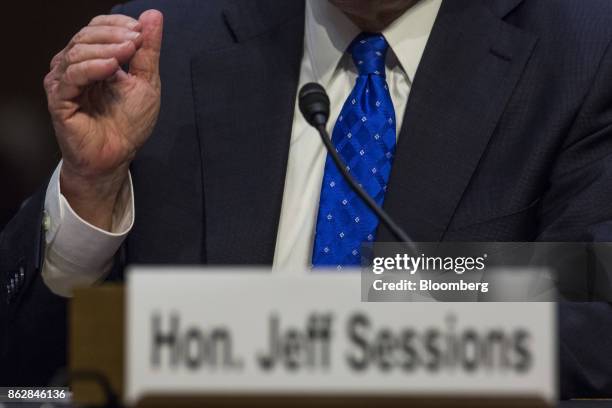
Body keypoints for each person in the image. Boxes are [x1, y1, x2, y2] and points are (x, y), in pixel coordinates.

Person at [2, 0, 612, 397]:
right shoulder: (165, 50)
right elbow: (34, 373)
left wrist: (339, 335)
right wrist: (92, 189)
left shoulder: (581, 53)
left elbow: (592, 319)